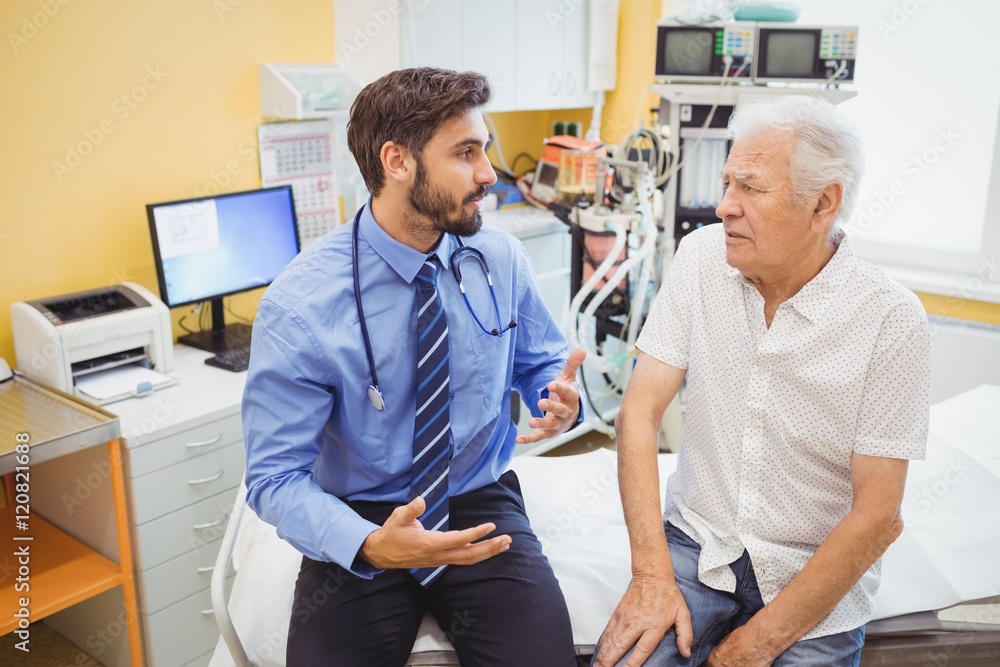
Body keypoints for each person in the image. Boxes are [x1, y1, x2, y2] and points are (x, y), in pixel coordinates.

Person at [242, 68, 585, 666]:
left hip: (477, 497)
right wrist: (370, 544)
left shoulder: (498, 259)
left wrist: (551, 395)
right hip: (358, 513)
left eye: (486, 150)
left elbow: (539, 362)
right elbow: (273, 479)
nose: (489, 174)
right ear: (397, 161)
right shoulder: (301, 307)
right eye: (466, 152)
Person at [593, 96, 931, 667]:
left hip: (811, 572)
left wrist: (749, 648)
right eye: (727, 183)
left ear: (823, 203)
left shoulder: (890, 320)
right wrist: (651, 576)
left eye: (750, 188)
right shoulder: (701, 259)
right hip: (698, 545)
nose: (724, 206)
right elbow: (638, 413)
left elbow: (878, 516)